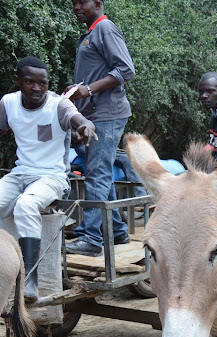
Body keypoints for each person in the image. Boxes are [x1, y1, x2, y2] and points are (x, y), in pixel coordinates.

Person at [0, 57, 97, 301]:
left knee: (26, 205)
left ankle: (29, 280)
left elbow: (77, 118)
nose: (36, 88)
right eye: (29, 82)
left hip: (52, 177)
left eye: (42, 83)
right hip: (20, 173)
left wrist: (85, 126)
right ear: (18, 81)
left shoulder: (58, 105)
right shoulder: (8, 103)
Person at [64, 0, 135, 257]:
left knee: (97, 172)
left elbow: (126, 69)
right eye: (73, 3)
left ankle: (91, 238)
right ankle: (116, 230)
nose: (76, 7)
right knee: (100, 170)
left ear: (98, 3)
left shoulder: (105, 28)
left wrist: (90, 89)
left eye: (82, 2)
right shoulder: (91, 33)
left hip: (107, 114)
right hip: (93, 114)